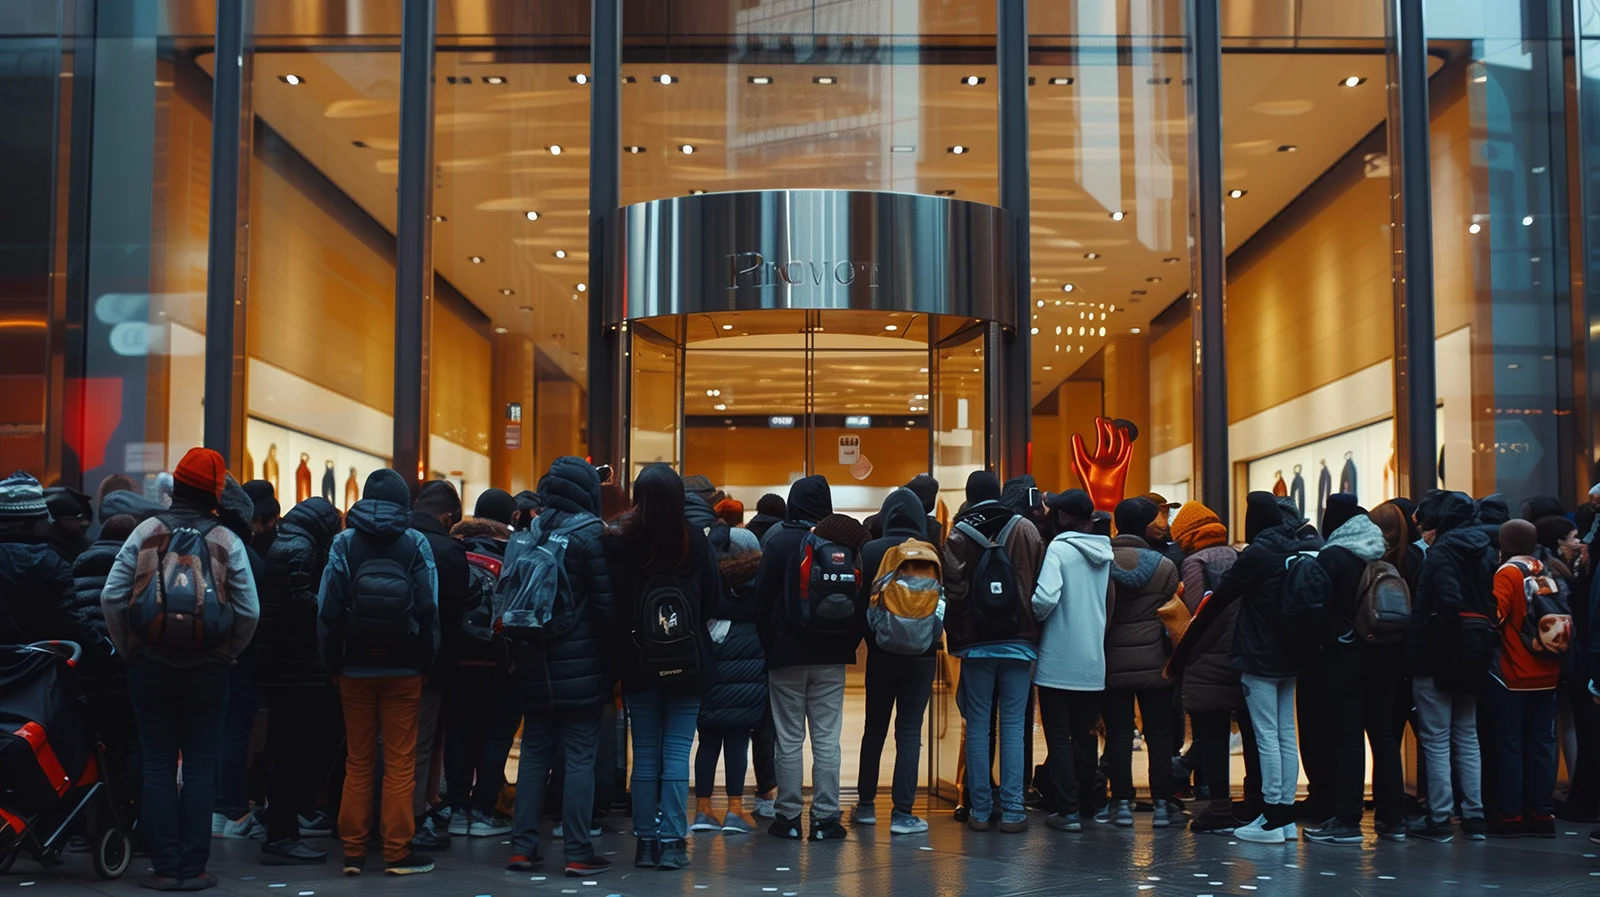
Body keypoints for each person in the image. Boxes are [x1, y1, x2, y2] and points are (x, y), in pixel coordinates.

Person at [101, 449, 260, 891]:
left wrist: (129, 646)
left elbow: (112, 597)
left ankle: (165, 867)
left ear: (176, 487)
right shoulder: (227, 540)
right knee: (199, 765)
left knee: (156, 763)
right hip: (209, 669)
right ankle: (195, 868)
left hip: (149, 665)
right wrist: (229, 652)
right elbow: (249, 610)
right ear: (214, 491)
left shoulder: (147, 532)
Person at [317, 468, 440, 876]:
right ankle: (397, 850)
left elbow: (327, 610)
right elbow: (429, 609)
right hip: (404, 666)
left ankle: (353, 850)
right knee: (401, 760)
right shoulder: (415, 542)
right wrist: (425, 663)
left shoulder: (345, 542)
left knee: (358, 759)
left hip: (354, 667)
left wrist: (333, 663)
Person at [504, 457, 615, 878]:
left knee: (534, 754)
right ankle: (577, 850)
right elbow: (605, 608)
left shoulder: (530, 531)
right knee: (579, 757)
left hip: (533, 660)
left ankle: (521, 848)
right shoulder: (590, 534)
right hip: (582, 665)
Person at [611, 464, 720, 870]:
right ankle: (673, 841)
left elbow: (617, 605)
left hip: (639, 661)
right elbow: (714, 601)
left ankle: (645, 842)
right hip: (688, 662)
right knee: (676, 752)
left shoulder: (624, 542)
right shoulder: (694, 540)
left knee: (645, 754)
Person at [754, 475, 861, 841]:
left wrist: (772, 646)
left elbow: (761, 601)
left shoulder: (779, 541)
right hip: (831, 655)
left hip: (786, 654)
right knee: (827, 737)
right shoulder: (841, 541)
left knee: (788, 737)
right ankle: (826, 818)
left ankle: (787, 817)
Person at [944, 471, 1043, 832]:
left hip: (976, 645)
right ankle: (1015, 811)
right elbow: (1036, 580)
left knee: (979, 725)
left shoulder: (958, 532)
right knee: (1015, 726)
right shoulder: (1024, 528)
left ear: (969, 495)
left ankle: (981, 811)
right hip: (1019, 641)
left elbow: (953, 591)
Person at [1302, 505, 1408, 844]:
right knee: (1384, 737)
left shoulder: (1331, 557)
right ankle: (1393, 819)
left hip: (1346, 658)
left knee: (1348, 738)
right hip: (1387, 655)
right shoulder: (1382, 556)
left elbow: (1315, 610)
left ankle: (1347, 819)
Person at [1224, 493, 1320, 844]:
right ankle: (1283, 817)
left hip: (1258, 658)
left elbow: (1222, 596)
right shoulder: (1293, 551)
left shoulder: (1257, 555)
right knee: (1284, 734)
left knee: (1266, 735)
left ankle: (1271, 819)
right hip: (1290, 656)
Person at [255, 497, 344, 865]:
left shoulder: (282, 541)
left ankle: (279, 823)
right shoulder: (301, 547)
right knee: (300, 750)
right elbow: (301, 600)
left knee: (285, 747)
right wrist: (334, 605)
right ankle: (282, 834)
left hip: (280, 665)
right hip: (300, 668)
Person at [851, 488, 942, 835]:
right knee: (909, 733)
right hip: (921, 656)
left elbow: (862, 604)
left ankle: (865, 806)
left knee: (873, 730)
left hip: (882, 653)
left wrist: (862, 640)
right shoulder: (932, 552)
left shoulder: (873, 550)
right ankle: (903, 813)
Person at [1408, 491, 1495, 842]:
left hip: (1439, 655)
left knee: (1436, 738)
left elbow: (1443, 602)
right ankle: (1474, 814)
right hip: (1476, 651)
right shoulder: (1485, 550)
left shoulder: (1442, 552)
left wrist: (1422, 644)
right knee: (1467, 734)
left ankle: (1439, 816)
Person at [1166, 499, 1256, 834]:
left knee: (1213, 736)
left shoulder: (1195, 561)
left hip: (1208, 658)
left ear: (1187, 534)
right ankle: (1252, 802)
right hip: (1243, 654)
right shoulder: (1238, 555)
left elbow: (1193, 616)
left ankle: (1218, 807)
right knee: (1250, 735)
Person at [1032, 489, 1113, 832]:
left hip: (1058, 658)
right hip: (1093, 659)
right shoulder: (1104, 551)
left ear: (1062, 516)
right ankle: (1086, 806)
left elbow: (1045, 597)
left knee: (1059, 736)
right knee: (1085, 736)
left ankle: (1065, 811)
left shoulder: (1059, 549)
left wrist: (1033, 612)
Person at [1101, 497, 1184, 827]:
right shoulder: (1165, 567)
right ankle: (1163, 803)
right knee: (1160, 733)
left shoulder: (1102, 561)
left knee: (1120, 733)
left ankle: (1121, 802)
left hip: (1112, 659)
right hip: (1155, 662)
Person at [443, 489, 520, 838]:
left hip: (458, 657)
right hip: (500, 658)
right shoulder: (514, 552)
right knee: (498, 735)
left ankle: (458, 810)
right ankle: (485, 810)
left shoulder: (454, 548)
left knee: (459, 731)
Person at [1485, 518, 1563, 837]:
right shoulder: (1547, 569)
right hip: (1549, 671)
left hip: (1513, 672)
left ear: (1503, 544)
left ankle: (1511, 815)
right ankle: (1543, 814)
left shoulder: (1507, 573)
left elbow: (1496, 617)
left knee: (1510, 744)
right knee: (1542, 742)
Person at [407, 481, 472, 851]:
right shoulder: (447, 550)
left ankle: (361, 821)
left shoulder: (389, 537)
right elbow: (451, 616)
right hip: (428, 666)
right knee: (417, 745)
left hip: (370, 661)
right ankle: (411, 820)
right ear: (447, 517)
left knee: (369, 746)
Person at [691, 526, 767, 836]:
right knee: (738, 742)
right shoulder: (758, 588)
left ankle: (702, 810)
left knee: (707, 742)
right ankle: (735, 809)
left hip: (711, 676)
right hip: (748, 678)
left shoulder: (707, 585)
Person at [213, 476, 269, 842]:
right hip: (235, 656)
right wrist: (237, 649)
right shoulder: (240, 551)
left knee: (207, 733)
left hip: (191, 655)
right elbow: (251, 611)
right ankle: (231, 810)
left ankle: (214, 811)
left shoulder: (174, 538)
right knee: (233, 732)